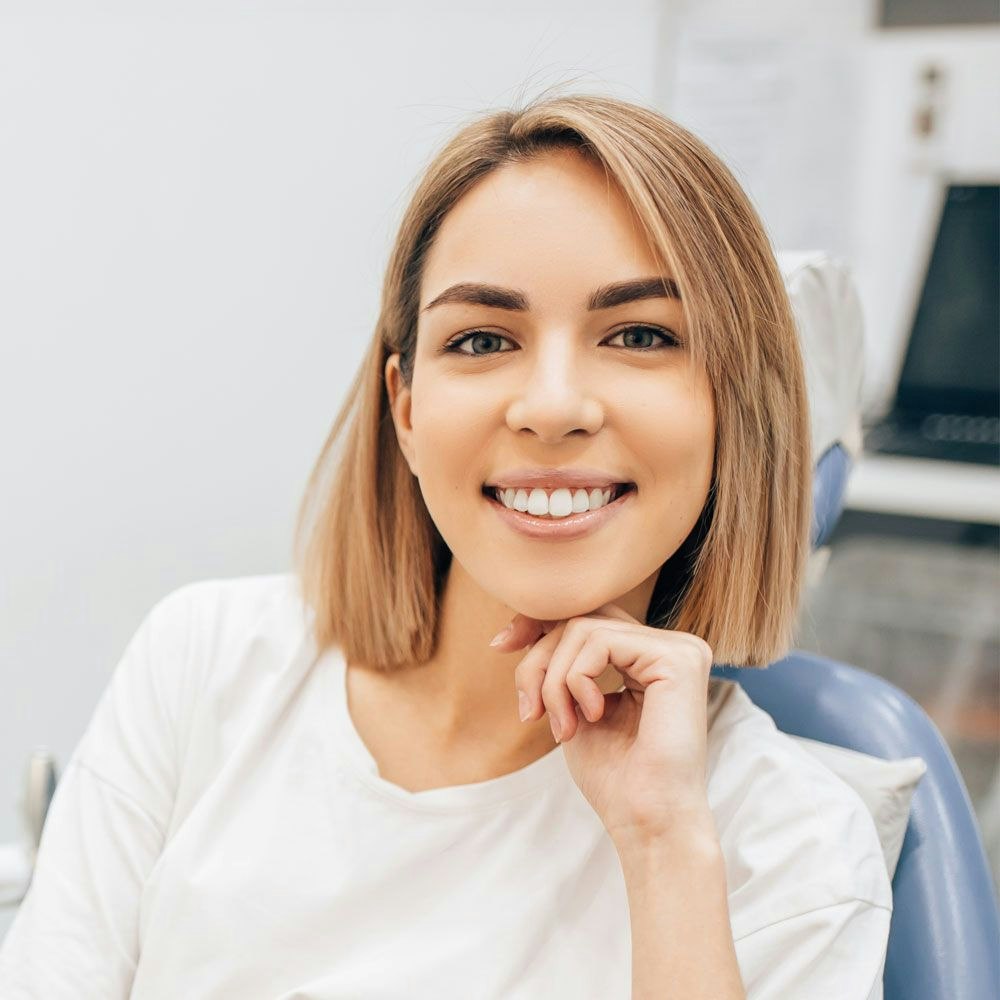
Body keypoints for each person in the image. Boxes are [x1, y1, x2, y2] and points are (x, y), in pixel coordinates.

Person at [0, 91, 892, 999]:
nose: (552, 407)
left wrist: (662, 845)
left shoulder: (792, 849)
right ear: (407, 406)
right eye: (480, 339)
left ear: (734, 410)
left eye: (638, 334)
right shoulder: (203, 663)